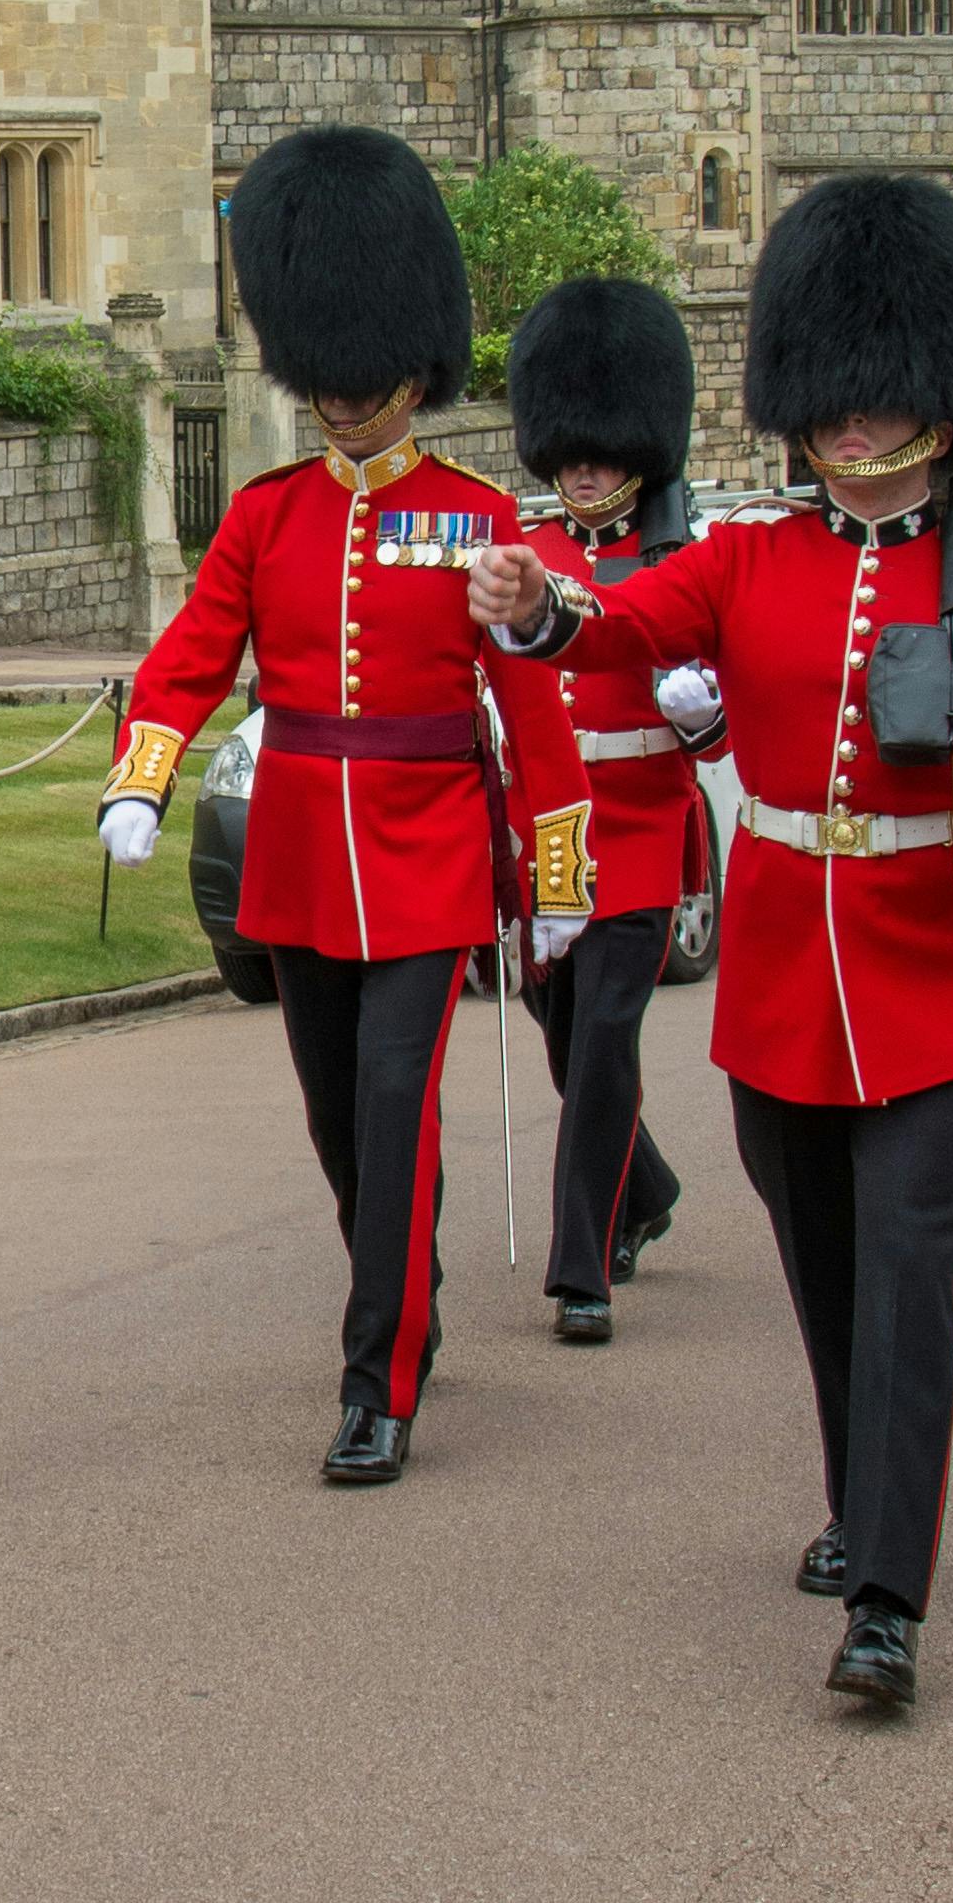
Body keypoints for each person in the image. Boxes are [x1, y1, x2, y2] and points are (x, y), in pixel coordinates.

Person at [471, 169, 953, 1716]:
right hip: (780, 990)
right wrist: (534, 606)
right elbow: (611, 629)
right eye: (835, 405)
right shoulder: (748, 561)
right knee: (827, 1284)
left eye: (882, 405)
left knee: (906, 1272)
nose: (855, 430)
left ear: (939, 406)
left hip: (943, 993)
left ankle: (886, 1597)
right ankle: (855, 1504)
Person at [99, 125, 593, 1487]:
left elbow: (533, 713)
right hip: (302, 856)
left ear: (412, 369)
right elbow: (191, 655)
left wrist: (556, 879)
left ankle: (377, 1377)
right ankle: (400, 1272)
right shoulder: (263, 517)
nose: (341, 403)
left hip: (430, 850)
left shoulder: (478, 517)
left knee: (395, 1104)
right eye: (323, 379)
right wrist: (142, 776)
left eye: (362, 381)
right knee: (338, 1120)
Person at [503, 274, 730, 1346]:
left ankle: (579, 1265)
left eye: (600, 450)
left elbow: (720, 734)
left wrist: (695, 716)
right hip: (545, 838)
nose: (584, 467)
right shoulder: (526, 554)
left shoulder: (682, 563)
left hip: (639, 828)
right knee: (563, 1048)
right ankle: (645, 1189)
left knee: (601, 1044)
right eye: (570, 451)